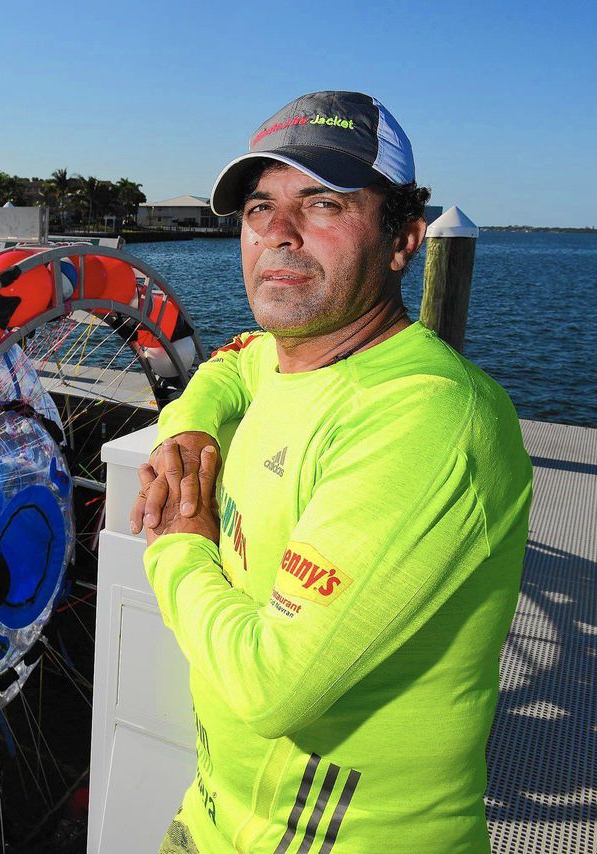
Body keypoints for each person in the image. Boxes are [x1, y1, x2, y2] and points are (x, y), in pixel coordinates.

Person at [128, 91, 533, 853]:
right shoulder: (290, 359)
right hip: (210, 821)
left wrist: (177, 536)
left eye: (323, 203)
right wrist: (185, 432)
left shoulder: (430, 421)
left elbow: (266, 684)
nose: (278, 233)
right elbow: (231, 365)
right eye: (258, 207)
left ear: (403, 240)